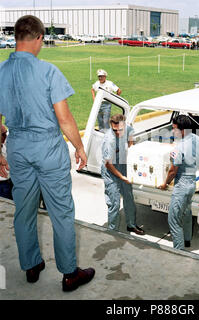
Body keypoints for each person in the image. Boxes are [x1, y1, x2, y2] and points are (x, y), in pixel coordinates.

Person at [0, 15, 95, 292]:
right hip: (48, 149)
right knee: (61, 213)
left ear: (16, 36)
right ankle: (69, 274)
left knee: (24, 211)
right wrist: (79, 147)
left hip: (17, 147)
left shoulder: (1, 72)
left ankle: (31, 265)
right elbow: (64, 119)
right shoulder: (48, 72)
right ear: (39, 38)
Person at [158, 115, 199, 250]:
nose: (173, 132)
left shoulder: (180, 147)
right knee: (187, 212)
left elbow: (173, 170)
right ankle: (187, 240)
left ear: (182, 130)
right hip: (192, 183)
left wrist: (165, 183)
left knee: (174, 220)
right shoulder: (198, 139)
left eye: (174, 129)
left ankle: (178, 251)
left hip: (182, 184)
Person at [101, 113, 145, 235]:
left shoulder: (127, 128)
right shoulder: (109, 140)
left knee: (129, 198)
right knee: (114, 203)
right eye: (114, 130)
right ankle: (112, 231)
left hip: (123, 166)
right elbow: (108, 164)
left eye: (120, 130)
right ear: (111, 126)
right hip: (111, 171)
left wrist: (130, 147)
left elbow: (131, 135)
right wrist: (122, 177)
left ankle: (131, 225)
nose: (118, 133)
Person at [0, 125, 13, 200]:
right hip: (2, 184)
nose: (5, 136)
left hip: (9, 182)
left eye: (5, 133)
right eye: (3, 134)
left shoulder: (5, 146)